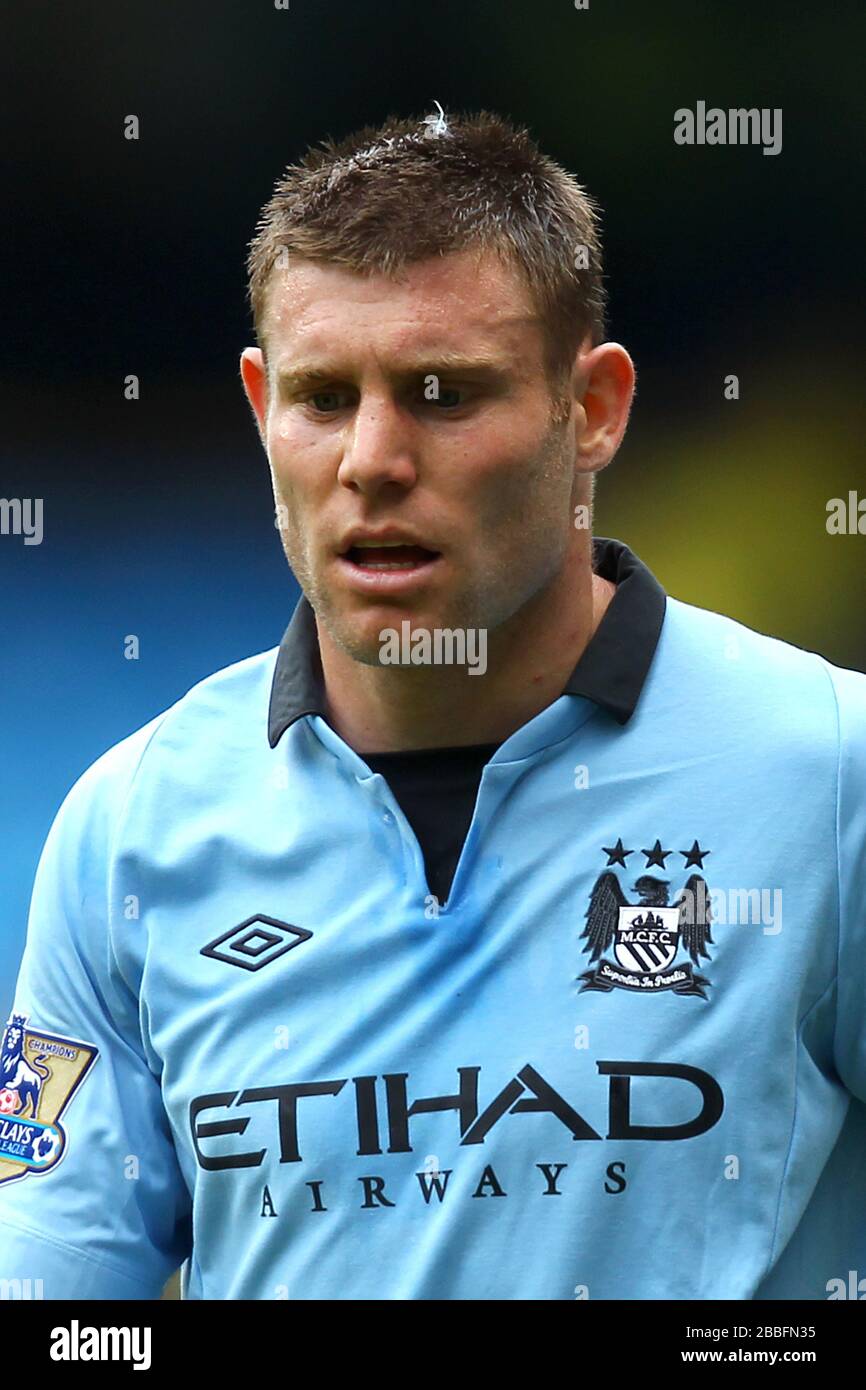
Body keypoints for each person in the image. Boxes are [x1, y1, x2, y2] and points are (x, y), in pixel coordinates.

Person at [1, 107, 865, 1301]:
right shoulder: (128, 829)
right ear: (261, 409)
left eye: (441, 392)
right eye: (320, 397)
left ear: (594, 408)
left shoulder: (828, 772)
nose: (370, 458)